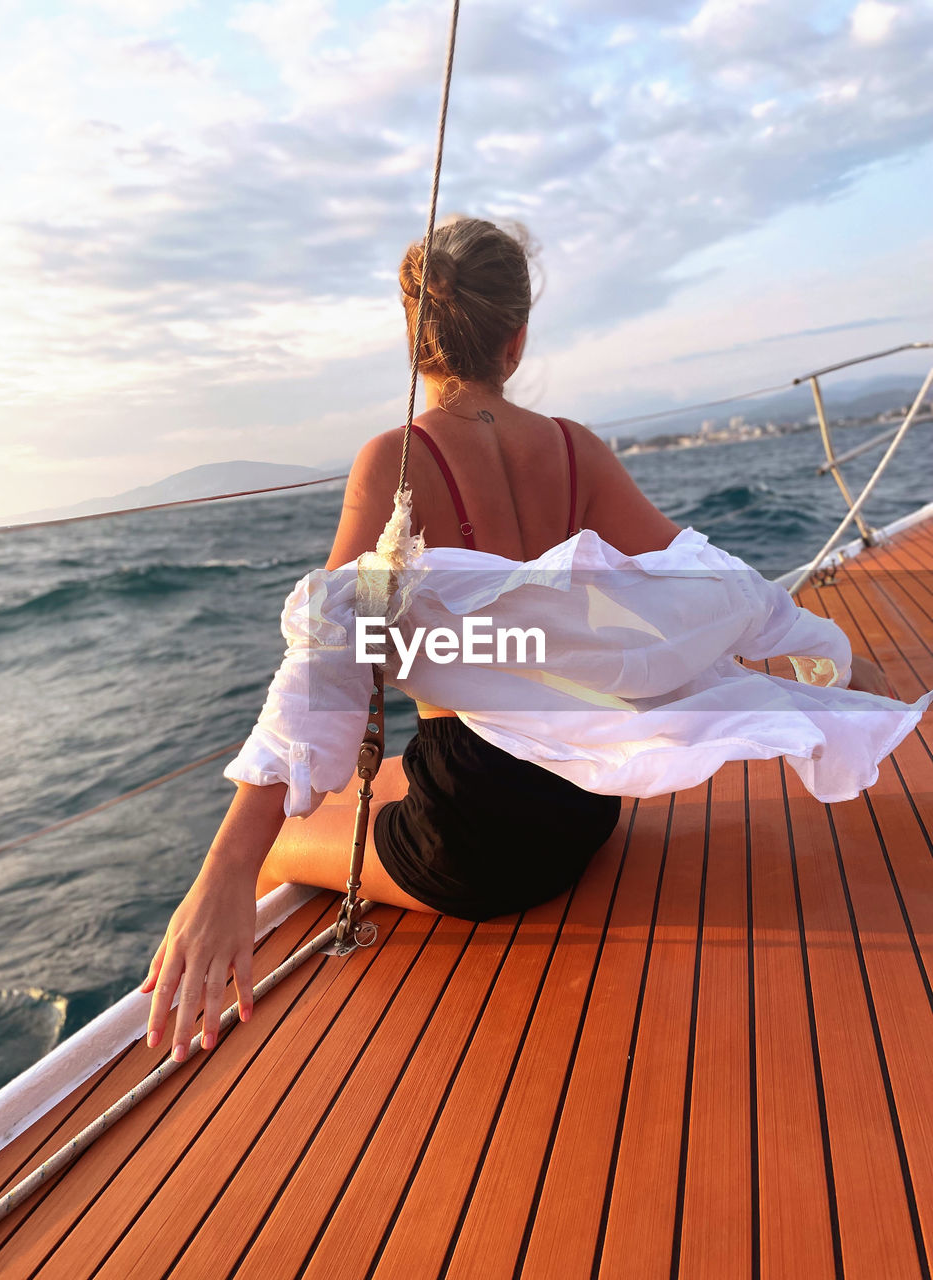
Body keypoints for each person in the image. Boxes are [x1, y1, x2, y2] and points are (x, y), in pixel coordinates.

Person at [140, 215, 894, 1063]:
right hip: (583, 810)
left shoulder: (394, 460)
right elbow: (711, 580)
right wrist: (832, 651)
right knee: (376, 781)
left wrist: (226, 872)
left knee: (282, 843)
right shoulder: (577, 451)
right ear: (519, 336)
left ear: (414, 336)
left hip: (477, 844)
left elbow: (329, 654)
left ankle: (239, 1036)